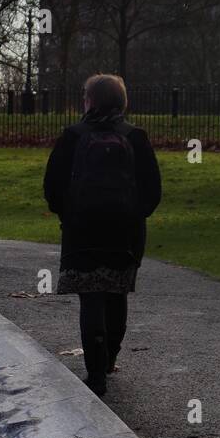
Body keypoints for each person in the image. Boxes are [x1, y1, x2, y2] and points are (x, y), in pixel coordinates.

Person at [43, 73, 161, 397]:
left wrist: (68, 213)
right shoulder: (135, 136)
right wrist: (134, 215)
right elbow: (152, 190)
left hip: (83, 230)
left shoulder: (74, 136)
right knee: (116, 293)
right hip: (124, 232)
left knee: (91, 298)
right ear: (122, 101)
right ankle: (110, 357)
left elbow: (52, 186)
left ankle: (96, 374)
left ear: (90, 101)